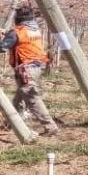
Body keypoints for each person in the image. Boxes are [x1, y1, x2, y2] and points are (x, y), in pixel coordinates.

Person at [0, 7, 58, 136]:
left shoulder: (16, 32)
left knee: (32, 99)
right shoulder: (34, 30)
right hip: (36, 66)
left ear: (18, 18)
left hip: (25, 69)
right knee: (18, 99)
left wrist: (4, 37)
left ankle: (50, 126)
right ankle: (11, 124)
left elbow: (2, 47)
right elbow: (21, 41)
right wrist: (7, 34)